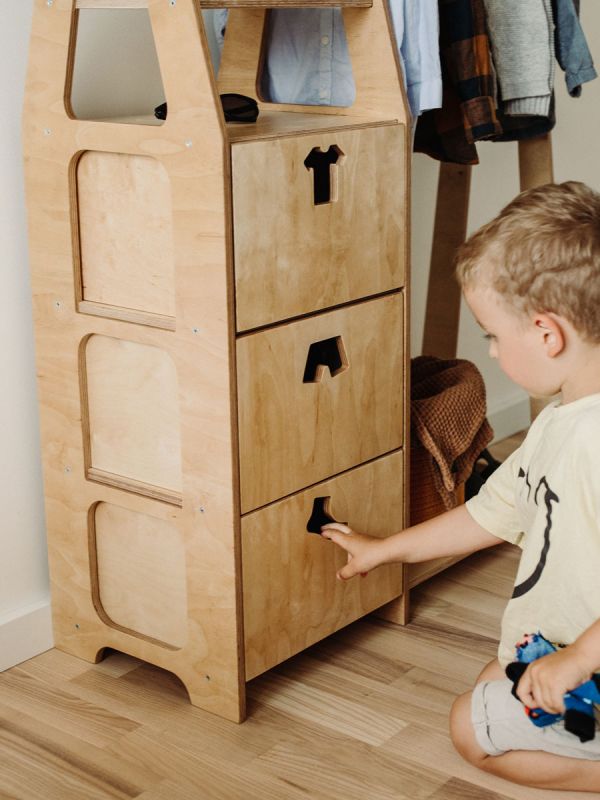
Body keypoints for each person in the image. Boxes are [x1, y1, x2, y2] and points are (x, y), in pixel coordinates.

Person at [322, 180, 600, 792]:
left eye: (494, 337)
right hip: (572, 643)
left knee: (468, 728)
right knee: (490, 678)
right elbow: (489, 514)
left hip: (592, 657)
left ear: (547, 333)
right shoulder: (560, 421)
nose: (493, 354)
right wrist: (384, 549)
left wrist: (579, 659)